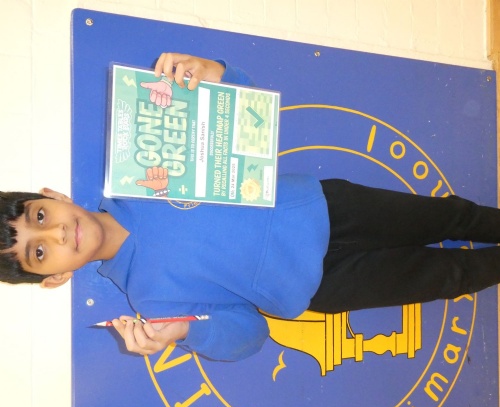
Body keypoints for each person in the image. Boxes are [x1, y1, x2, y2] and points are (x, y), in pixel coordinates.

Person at [2, 53, 500, 361]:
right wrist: (184, 332)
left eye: (40, 217)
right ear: (56, 278)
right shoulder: (151, 302)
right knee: (449, 276)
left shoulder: (143, 160)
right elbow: (250, 335)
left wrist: (217, 75)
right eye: (39, 252)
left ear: (54, 197)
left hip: (327, 208)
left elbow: (245, 128)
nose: (56, 234)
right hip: (324, 285)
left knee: (453, 216)